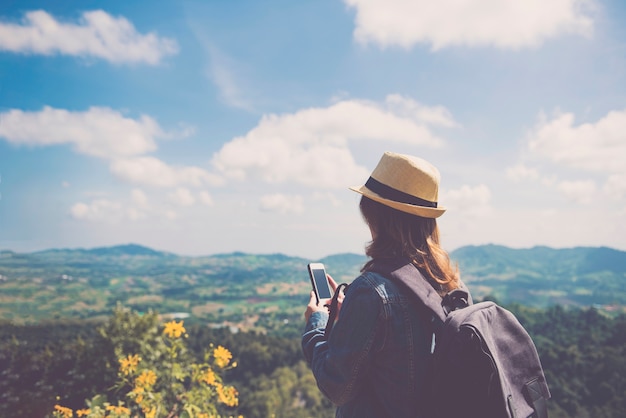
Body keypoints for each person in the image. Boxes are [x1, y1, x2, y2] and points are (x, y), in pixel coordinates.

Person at [302, 151, 461, 418]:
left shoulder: (371, 291)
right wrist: (352, 316)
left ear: (377, 215)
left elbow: (336, 386)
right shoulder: (448, 282)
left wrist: (316, 324)